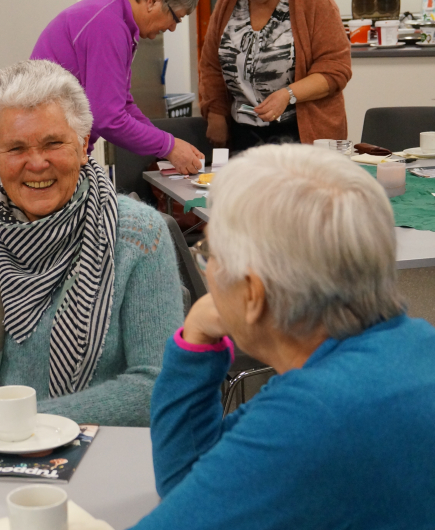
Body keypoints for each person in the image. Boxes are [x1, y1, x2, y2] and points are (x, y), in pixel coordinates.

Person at [132, 144, 435, 528]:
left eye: (209, 253)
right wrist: (196, 339)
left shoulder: (313, 416)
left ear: (252, 294)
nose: (206, 268)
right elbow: (190, 481)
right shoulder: (411, 347)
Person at [0, 61, 183, 427]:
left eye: (53, 143)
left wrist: (25, 421)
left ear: (83, 145)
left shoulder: (138, 237)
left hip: (101, 449)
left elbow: (155, 383)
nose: (36, 163)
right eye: (15, 148)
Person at [31, 0, 205, 175]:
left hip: (59, 149)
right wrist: (169, 146)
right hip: (49, 155)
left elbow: (124, 104)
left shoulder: (116, 18)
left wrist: (170, 145)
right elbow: (109, 118)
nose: (173, 28)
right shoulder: (108, 24)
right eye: (176, 18)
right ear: (152, 2)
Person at [199, 0, 351, 152]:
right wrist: (216, 113)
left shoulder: (316, 4)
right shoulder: (226, 5)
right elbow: (211, 66)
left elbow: (334, 69)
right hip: (242, 133)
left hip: (302, 133)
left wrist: (288, 95)